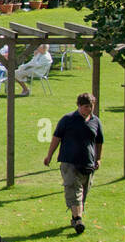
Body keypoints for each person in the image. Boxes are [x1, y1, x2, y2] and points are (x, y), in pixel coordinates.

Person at [43, 93, 103, 234]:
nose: (89, 109)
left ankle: (75, 217)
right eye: (86, 106)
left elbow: (99, 141)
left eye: (91, 106)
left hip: (88, 163)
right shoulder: (67, 119)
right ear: (79, 106)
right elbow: (56, 138)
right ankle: (78, 220)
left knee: (83, 193)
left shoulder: (96, 121)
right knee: (73, 189)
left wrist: (98, 158)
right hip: (69, 161)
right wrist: (49, 155)